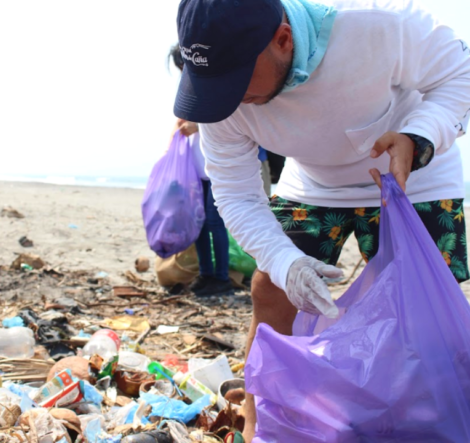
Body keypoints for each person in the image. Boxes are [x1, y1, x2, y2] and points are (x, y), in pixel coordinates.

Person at [173, 0, 470, 440]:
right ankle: (261, 426)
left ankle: (417, 420)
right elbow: (235, 193)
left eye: (237, 79)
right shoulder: (218, 92)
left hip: (409, 170)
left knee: (415, 301)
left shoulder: (378, 24)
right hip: (313, 179)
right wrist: (284, 262)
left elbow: (460, 74)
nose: (229, 98)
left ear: (283, 39)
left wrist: (419, 135)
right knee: (270, 288)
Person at [170, 44, 233, 296]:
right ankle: (206, 275)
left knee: (215, 223)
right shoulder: (190, 90)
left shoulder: (219, 84)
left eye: (184, 66)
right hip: (196, 169)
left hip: (217, 167)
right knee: (199, 225)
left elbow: (228, 119)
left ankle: (222, 278)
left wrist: (196, 126)